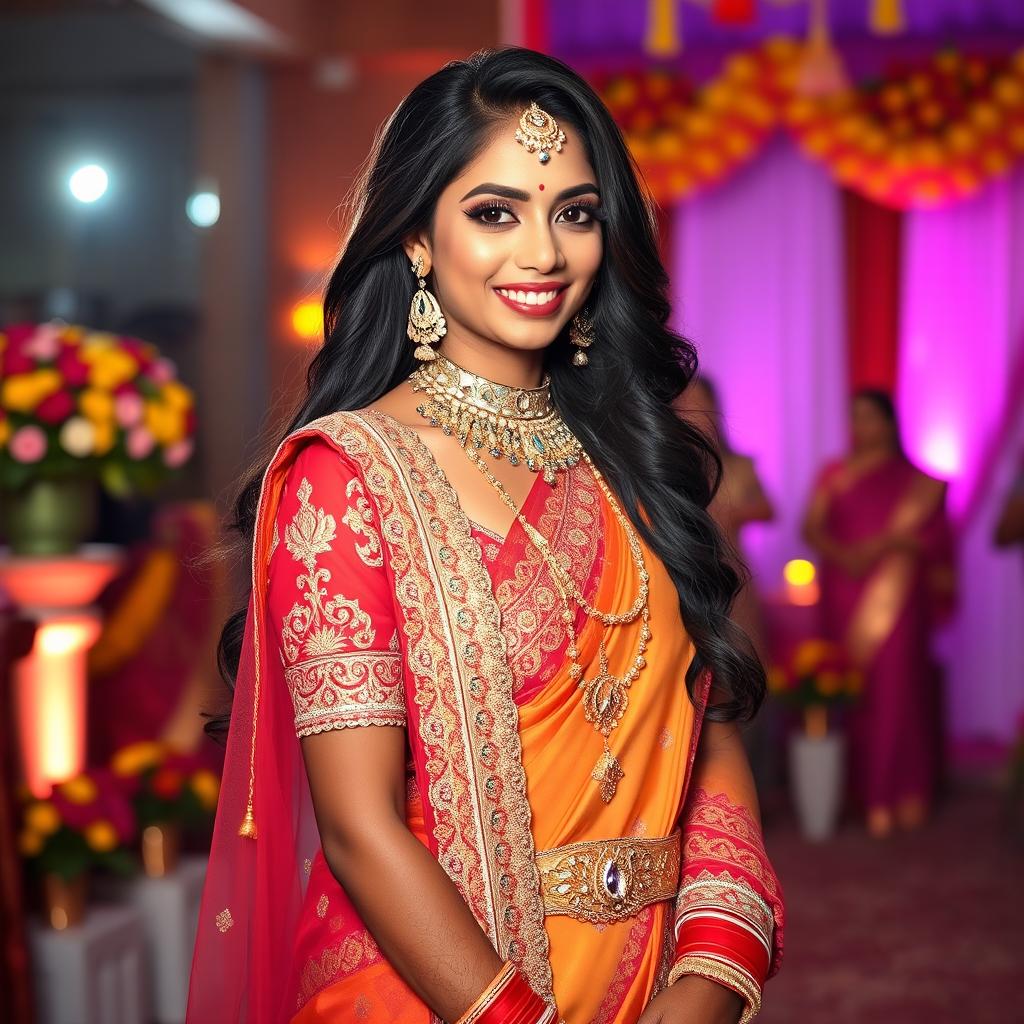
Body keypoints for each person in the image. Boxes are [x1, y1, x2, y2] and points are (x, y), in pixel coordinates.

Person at [188, 48, 783, 1024]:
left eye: (575, 213)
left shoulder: (635, 459)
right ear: (417, 236)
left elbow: (706, 741)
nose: (543, 254)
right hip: (430, 994)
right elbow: (359, 827)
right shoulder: (347, 477)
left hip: (653, 987)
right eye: (494, 212)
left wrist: (711, 975)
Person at [803, 390, 953, 839]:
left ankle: (903, 790)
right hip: (844, 590)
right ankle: (862, 792)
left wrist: (889, 545)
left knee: (899, 689)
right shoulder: (835, 474)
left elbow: (938, 543)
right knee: (853, 689)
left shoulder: (918, 482)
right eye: (854, 418)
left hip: (898, 592)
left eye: (870, 417)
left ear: (890, 423)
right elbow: (811, 528)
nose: (861, 427)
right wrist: (843, 554)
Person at [674, 377, 774, 657]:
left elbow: (768, 509)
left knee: (740, 648)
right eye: (685, 404)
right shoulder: (672, 465)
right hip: (687, 569)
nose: (692, 409)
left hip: (732, 568)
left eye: (699, 402)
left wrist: (733, 513)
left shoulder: (739, 465)